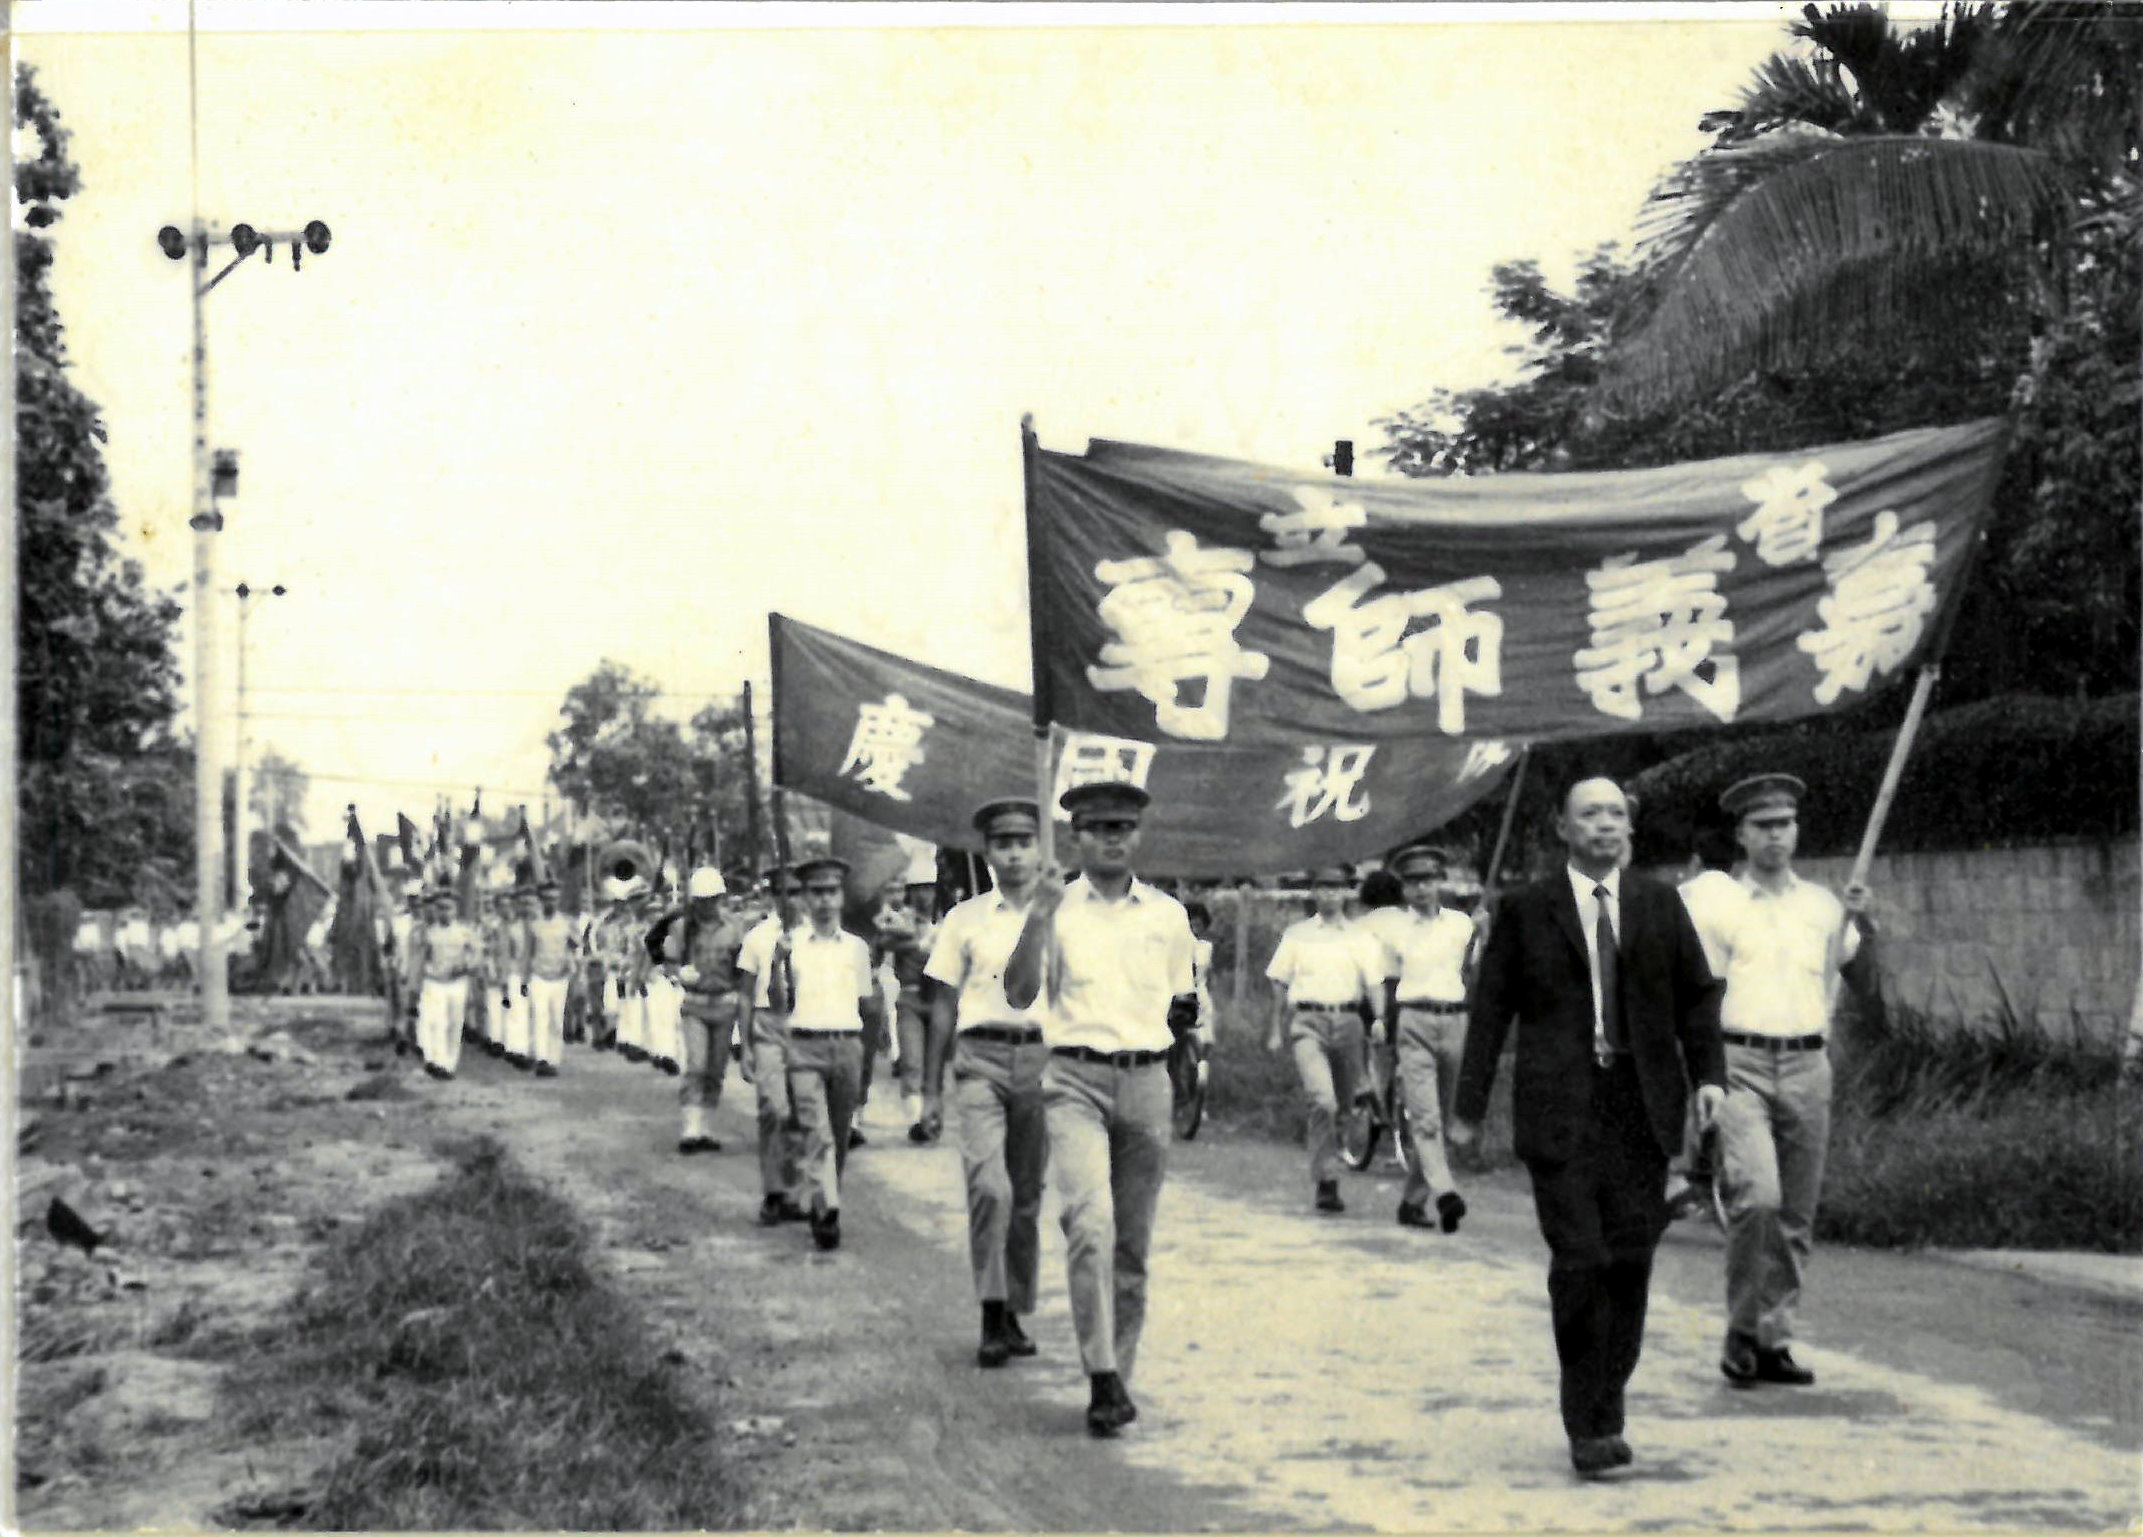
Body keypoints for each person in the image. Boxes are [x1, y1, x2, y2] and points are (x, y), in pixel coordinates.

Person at [1450, 775, 1725, 1481]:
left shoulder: (1659, 902)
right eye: (1589, 814)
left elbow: (1697, 998)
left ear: (1628, 826)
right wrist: (1467, 1109)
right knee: (1579, 1262)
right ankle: (1586, 1420)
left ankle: (1608, 1398)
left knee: (1629, 1263)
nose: (1605, 824)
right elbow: (1490, 1011)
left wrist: (1710, 1080)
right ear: (1561, 828)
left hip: (1640, 1111)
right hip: (1558, 1111)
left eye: (1615, 813)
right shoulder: (1526, 908)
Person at [1005, 781, 1198, 1438]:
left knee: (1132, 1246)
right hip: (1074, 1081)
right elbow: (1017, 990)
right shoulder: (1054, 907)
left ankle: (1120, 1370)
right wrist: (1036, 916)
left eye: (1123, 826)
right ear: (1076, 837)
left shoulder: (1167, 915)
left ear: (1138, 834)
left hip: (1146, 1082)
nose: (1113, 837)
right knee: (1089, 1223)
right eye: (1097, 827)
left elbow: (1182, 1001)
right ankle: (1100, 1372)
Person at [1699, 773, 1877, 1390]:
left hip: (1808, 1063)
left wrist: (1863, 920)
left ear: (1797, 831)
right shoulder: (1720, 907)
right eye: (1762, 826)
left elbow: (1864, 978)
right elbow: (1703, 993)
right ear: (1741, 836)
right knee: (1758, 1197)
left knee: (1797, 1212)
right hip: (1741, 1063)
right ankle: (1741, 1329)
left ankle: (1774, 1338)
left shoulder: (1824, 906)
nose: (1776, 836)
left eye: (1785, 824)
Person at [924, 797, 1051, 1369]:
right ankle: (991, 1311)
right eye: (1004, 843)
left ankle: (1015, 1310)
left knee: (1025, 1198)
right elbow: (943, 1006)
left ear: (1041, 847)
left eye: (1025, 841)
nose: (1015, 853)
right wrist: (929, 1088)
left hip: (1044, 1061)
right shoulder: (964, 919)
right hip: (980, 1059)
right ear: (988, 852)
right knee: (989, 1189)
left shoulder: (1065, 914)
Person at [771, 856, 883, 1251]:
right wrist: (776, 965)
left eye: (831, 892)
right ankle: (828, 1207)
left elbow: (867, 1005)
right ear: (802, 898)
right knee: (816, 1132)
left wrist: (867, 1058)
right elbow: (776, 1000)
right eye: (815, 892)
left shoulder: (856, 948)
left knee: (837, 1132)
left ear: (841, 897)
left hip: (846, 1045)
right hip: (804, 1046)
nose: (824, 900)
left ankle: (822, 1195)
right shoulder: (790, 945)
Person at [1264, 865, 1386, 1214]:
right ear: (1314, 891)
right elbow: (1279, 982)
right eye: (1323, 887)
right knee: (1323, 1100)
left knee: (1344, 1107)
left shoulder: (1361, 938)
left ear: (1347, 891)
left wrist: (1378, 1019)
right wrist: (1275, 1028)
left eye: (1337, 887)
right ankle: (1326, 1182)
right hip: (1308, 1023)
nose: (1330, 893)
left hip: (1348, 1022)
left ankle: (1332, 1166)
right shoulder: (1297, 935)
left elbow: (1374, 983)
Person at [1379, 844, 1477, 1234]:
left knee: (1446, 1117)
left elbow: (1471, 970)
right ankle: (1446, 1191)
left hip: (1455, 1020)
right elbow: (1386, 984)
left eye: (1428, 880)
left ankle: (1411, 1202)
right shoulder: (1394, 929)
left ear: (1441, 882)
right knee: (1426, 1117)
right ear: (1404, 888)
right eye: (1413, 882)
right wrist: (1384, 1033)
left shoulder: (1461, 924)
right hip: (1414, 1021)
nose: (1421, 889)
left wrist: (1482, 932)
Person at [738, 867, 809, 1227]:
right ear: (771, 895)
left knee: (800, 1110)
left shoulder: (815, 935)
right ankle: (772, 1190)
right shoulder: (757, 937)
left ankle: (793, 1191)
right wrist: (745, 1045)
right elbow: (746, 995)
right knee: (773, 1108)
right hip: (768, 1024)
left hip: (805, 1025)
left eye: (797, 891)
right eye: (783, 892)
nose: (791, 899)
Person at [674, 866, 749, 1155]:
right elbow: (668, 959)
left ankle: (705, 1126)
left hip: (725, 1003)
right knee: (696, 1065)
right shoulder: (682, 928)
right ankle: (690, 1128)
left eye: (712, 898)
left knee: (716, 1069)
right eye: (702, 899)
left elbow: (742, 967)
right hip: (695, 1003)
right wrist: (679, 972)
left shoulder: (734, 927)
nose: (707, 905)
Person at [408, 886, 481, 1080]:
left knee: (454, 1024)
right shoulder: (428, 933)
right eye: (441, 908)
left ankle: (449, 1064)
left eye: (448, 908)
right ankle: (437, 1062)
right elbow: (419, 960)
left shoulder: (465, 932)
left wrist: (466, 965)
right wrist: (414, 986)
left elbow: (477, 955)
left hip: (457, 983)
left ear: (455, 910)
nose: (444, 912)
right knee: (437, 1022)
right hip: (434, 982)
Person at [523, 878, 576, 1078]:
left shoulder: (566, 922)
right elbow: (528, 952)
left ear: (558, 899)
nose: (550, 902)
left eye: (553, 898)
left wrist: (571, 967)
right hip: (539, 975)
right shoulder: (534, 924)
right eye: (546, 898)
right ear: (541, 900)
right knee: (540, 1017)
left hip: (559, 976)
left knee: (555, 1019)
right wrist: (524, 978)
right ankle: (542, 1058)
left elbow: (573, 947)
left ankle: (553, 1060)